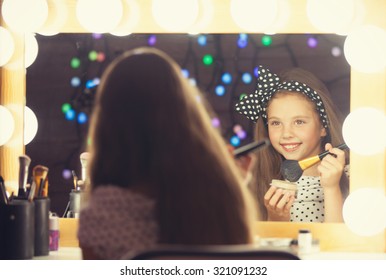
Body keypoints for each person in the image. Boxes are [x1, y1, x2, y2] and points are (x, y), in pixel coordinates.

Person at [77, 47, 257, 260]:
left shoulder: (103, 215)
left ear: (107, 124)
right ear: (187, 114)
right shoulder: (219, 200)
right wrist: (232, 183)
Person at [235, 65, 349, 223]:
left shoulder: (352, 178)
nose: (286, 133)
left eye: (299, 122)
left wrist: (331, 188)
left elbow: (339, 244)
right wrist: (276, 218)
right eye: (276, 123)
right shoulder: (259, 183)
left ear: (323, 127)